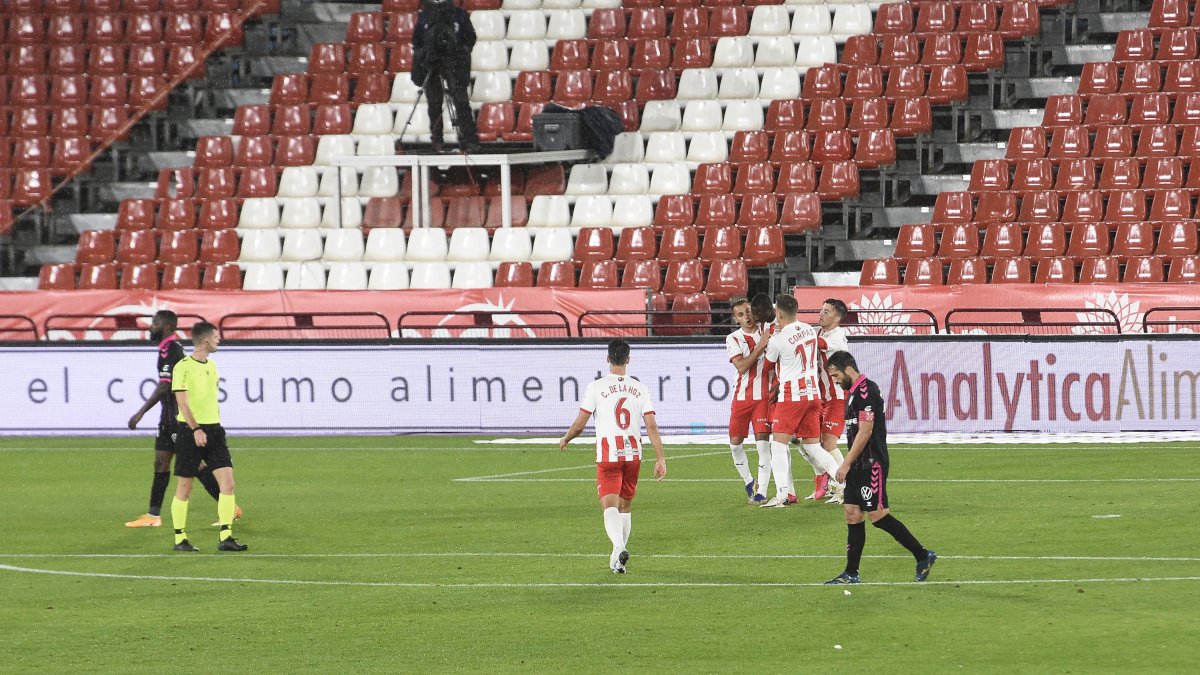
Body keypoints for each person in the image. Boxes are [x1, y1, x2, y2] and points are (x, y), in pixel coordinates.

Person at [822, 351, 936, 584]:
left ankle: (923, 555)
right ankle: (851, 573)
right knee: (852, 514)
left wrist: (845, 462)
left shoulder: (866, 391)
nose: (835, 381)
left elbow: (865, 431)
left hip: (870, 463)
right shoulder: (853, 393)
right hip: (857, 463)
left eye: (835, 376)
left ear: (848, 369)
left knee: (878, 516)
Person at [559, 340, 667, 574]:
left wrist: (567, 438)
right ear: (628, 360)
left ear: (608, 359)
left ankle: (618, 547)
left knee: (609, 505)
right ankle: (617, 559)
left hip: (609, 455)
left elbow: (580, 424)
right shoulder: (640, 388)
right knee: (625, 506)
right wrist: (661, 459)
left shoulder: (596, 386)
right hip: (633, 455)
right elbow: (652, 426)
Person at [125, 311, 233, 528]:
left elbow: (165, 386)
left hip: (176, 419)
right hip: (166, 419)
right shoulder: (167, 348)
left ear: (166, 325)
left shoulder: (172, 349)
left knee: (194, 465)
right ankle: (153, 515)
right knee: (161, 462)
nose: (150, 326)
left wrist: (140, 412)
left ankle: (228, 506)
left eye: (154, 322)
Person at [169, 322, 246, 552]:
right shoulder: (182, 367)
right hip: (189, 432)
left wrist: (211, 428)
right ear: (205, 340)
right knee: (185, 488)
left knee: (228, 483)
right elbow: (182, 402)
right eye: (216, 336)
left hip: (214, 431)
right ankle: (180, 539)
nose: (218, 340)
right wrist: (195, 429)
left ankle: (226, 537)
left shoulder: (212, 366)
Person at [759, 294, 825, 508]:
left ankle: (782, 495)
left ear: (778, 313)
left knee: (777, 444)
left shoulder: (777, 339)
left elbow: (767, 367)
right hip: (812, 393)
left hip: (791, 395)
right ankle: (845, 484)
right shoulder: (810, 330)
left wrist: (767, 343)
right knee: (814, 447)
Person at [411, 0, 480, 153]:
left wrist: (460, 51)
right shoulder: (425, 16)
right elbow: (416, 41)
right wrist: (425, 54)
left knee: (461, 102)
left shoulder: (460, 15)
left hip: (455, 65)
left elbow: (471, 38)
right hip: (432, 65)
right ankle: (437, 141)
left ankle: (468, 140)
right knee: (434, 104)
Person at [803, 298, 851, 503]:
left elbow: (816, 343)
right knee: (813, 443)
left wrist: (794, 329)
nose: (821, 314)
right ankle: (832, 484)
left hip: (837, 396)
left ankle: (845, 486)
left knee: (828, 443)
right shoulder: (819, 331)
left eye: (827, 311)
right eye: (821, 310)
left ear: (837, 317)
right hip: (821, 397)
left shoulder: (837, 337)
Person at [725, 297, 771, 503]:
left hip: (764, 398)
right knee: (735, 444)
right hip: (742, 398)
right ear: (736, 319)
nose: (747, 317)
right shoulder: (733, 339)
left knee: (763, 445)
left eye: (749, 311)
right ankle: (749, 482)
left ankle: (761, 491)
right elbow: (742, 367)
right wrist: (761, 346)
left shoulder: (767, 329)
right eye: (741, 315)